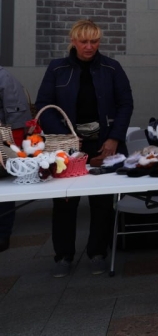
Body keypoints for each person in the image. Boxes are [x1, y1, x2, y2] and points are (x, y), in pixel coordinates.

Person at [35, 20, 133, 277]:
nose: (89, 46)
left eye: (94, 41)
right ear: (74, 41)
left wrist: (114, 139)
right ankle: (63, 256)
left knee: (102, 200)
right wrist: (65, 136)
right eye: (84, 41)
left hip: (103, 142)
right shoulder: (57, 68)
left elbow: (126, 104)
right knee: (66, 200)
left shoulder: (112, 68)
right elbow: (44, 104)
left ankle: (97, 251)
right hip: (68, 145)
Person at [0, 67, 34, 252]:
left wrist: (11, 148)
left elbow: (17, 117)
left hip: (1, 145)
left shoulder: (3, 77)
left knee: (3, 190)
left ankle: (3, 234)